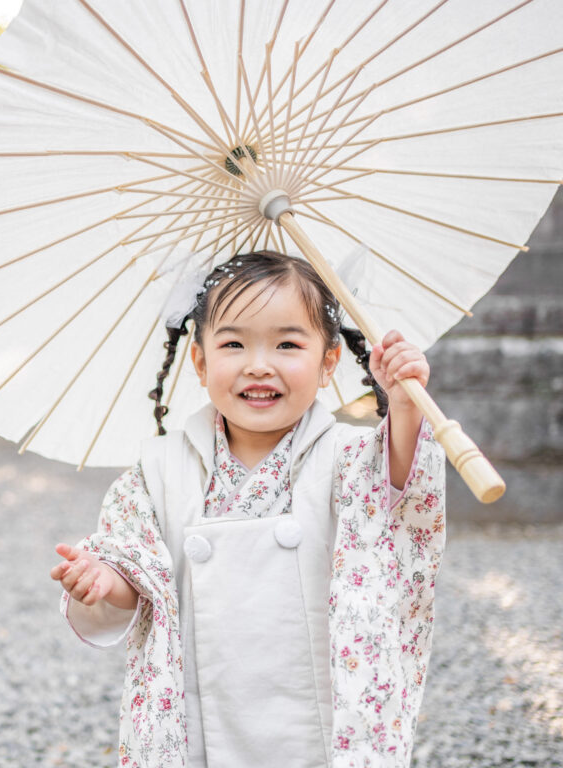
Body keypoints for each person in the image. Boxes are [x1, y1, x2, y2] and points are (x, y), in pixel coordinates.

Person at [49, 251, 446, 768]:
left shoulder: (347, 455)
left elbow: (400, 494)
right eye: (234, 343)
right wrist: (104, 579)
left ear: (328, 363)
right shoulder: (160, 468)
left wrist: (407, 404)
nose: (259, 364)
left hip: (314, 717)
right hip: (200, 715)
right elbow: (141, 574)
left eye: (287, 343)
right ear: (200, 361)